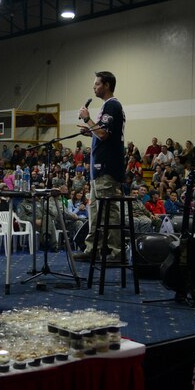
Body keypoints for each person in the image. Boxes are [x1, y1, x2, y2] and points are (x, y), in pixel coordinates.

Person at [74, 71, 126, 261]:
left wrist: (87, 119)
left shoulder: (112, 105)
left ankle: (116, 252)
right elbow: (102, 134)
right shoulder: (107, 106)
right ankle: (93, 249)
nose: (94, 87)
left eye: (97, 84)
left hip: (107, 168)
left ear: (106, 85)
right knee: (95, 211)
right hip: (98, 169)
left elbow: (104, 135)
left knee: (109, 211)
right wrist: (90, 132)